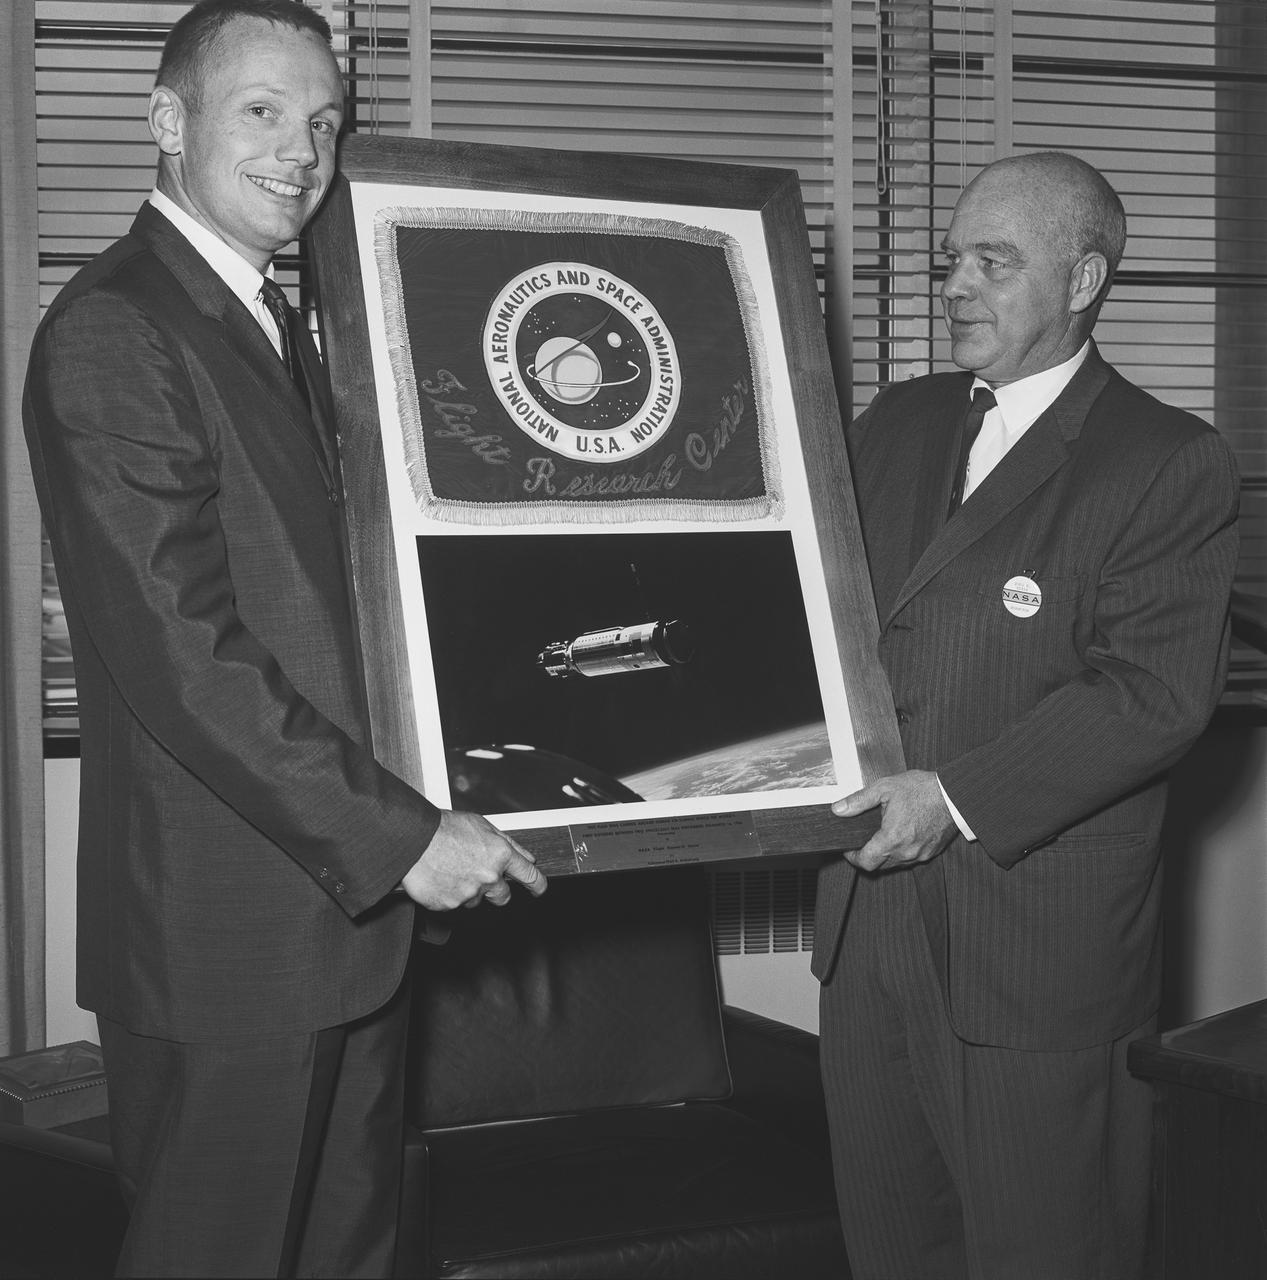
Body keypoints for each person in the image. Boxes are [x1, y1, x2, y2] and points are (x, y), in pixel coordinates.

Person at [22, 2, 546, 1275]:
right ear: (166, 121)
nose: (301, 151)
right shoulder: (117, 328)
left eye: (322, 121)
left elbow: (338, 605)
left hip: (346, 936)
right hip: (231, 943)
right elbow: (182, 655)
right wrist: (405, 835)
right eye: (262, 110)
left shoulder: (287, 322)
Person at [813, 151, 1239, 1280]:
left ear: (1083, 277)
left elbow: (1150, 695)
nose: (954, 283)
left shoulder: (1165, 459)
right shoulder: (892, 423)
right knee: (892, 1246)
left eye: (993, 262)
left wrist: (948, 800)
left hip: (1029, 941)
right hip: (866, 928)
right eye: (951, 257)